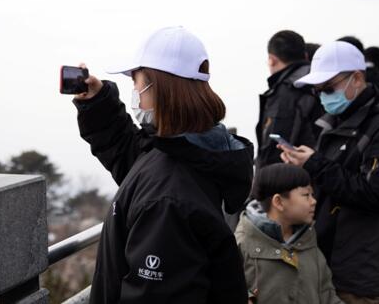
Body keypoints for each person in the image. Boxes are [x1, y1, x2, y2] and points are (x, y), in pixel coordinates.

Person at [72, 26, 254, 304]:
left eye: (136, 82)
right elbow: (135, 160)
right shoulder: (191, 148)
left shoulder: (166, 200)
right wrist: (98, 104)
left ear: (160, 88)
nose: (134, 92)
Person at [278, 41, 379, 304]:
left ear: (357, 78)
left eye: (329, 88)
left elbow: (377, 195)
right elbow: (333, 181)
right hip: (323, 257)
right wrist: (302, 169)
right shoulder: (334, 122)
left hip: (355, 270)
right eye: (318, 91)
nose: (323, 96)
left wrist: (315, 164)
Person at [235, 163, 343, 304]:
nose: (313, 201)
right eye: (306, 195)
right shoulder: (241, 244)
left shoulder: (309, 244)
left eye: (312, 194)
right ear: (279, 202)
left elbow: (327, 296)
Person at [255, 30, 323, 168]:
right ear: (305, 55)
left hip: (296, 176)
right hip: (326, 168)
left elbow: (274, 147)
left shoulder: (286, 90)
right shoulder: (323, 81)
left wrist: (263, 180)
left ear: (271, 59)